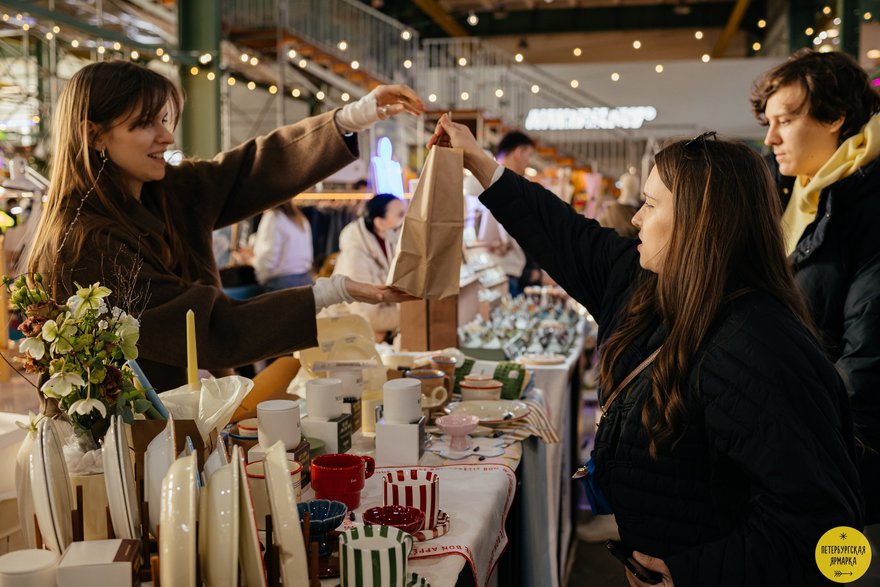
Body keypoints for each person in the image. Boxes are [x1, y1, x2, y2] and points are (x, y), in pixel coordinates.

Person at [430, 115, 863, 585]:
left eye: (650, 205)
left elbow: (823, 527)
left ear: (701, 222)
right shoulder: (647, 287)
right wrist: (478, 161)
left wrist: (689, 573)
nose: (635, 218)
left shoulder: (759, 346)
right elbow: (563, 234)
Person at [28, 60, 423, 392]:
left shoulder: (166, 190)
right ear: (95, 134)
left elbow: (250, 170)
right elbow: (212, 329)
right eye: (145, 124)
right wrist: (334, 291)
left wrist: (354, 116)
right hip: (125, 435)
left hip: (187, 413)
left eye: (165, 119)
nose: (167, 136)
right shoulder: (84, 242)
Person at [331, 193, 405, 343]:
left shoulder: (388, 242)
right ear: (380, 223)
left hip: (367, 337)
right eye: (400, 215)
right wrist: (409, 314)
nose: (406, 220)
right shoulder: (355, 257)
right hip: (346, 339)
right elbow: (368, 316)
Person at [477, 130, 534, 296]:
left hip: (503, 272)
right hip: (501, 273)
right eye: (528, 155)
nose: (528, 162)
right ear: (518, 152)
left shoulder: (504, 181)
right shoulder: (497, 181)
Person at [252, 199, 314, 291]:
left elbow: (267, 261)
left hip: (281, 283)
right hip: (305, 279)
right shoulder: (300, 218)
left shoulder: (273, 217)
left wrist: (252, 261)